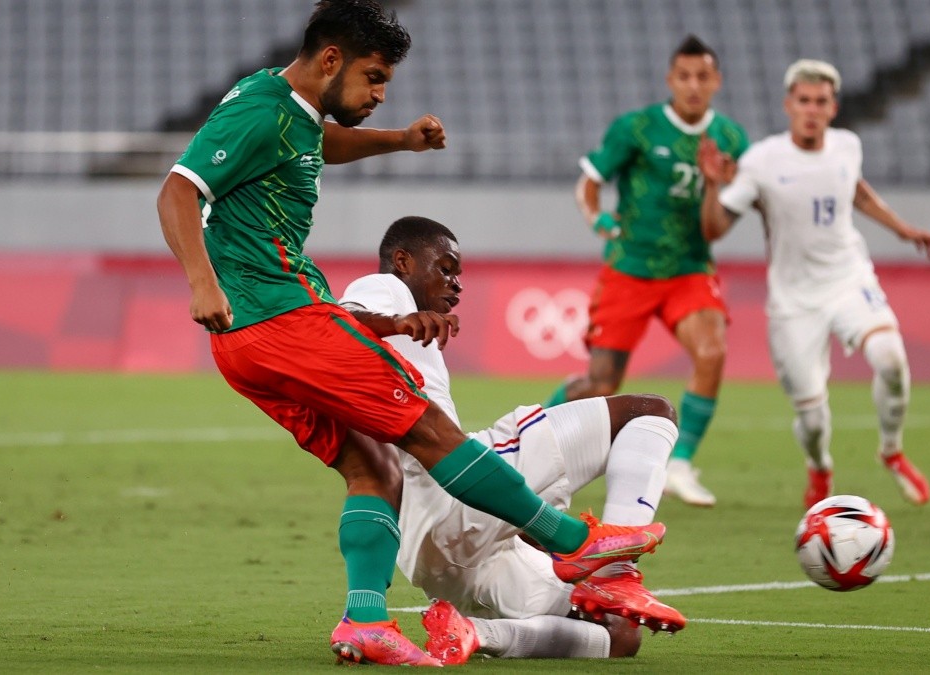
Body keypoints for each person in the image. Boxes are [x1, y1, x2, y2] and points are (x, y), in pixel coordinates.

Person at [155, 1, 666, 666]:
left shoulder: (290, 112)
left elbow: (318, 143)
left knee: (372, 465)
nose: (378, 93)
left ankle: (364, 621)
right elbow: (177, 190)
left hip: (244, 345)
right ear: (331, 59)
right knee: (426, 428)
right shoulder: (261, 109)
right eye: (373, 78)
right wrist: (201, 280)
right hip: (282, 314)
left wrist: (398, 138)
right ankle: (573, 540)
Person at [339, 216, 687, 664]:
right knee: (650, 412)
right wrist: (396, 319)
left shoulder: (410, 330)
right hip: (454, 494)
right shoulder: (384, 289)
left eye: (458, 273)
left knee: (620, 634)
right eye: (445, 268)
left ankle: (475, 634)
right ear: (403, 261)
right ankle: (616, 573)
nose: (456, 283)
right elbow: (341, 320)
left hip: (431, 557)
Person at [697, 59, 930, 509]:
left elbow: (856, 190)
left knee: (890, 358)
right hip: (794, 302)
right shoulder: (762, 161)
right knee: (812, 418)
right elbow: (714, 230)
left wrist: (902, 229)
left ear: (833, 108)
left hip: (848, 278)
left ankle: (891, 451)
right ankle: (820, 467)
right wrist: (713, 187)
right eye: (804, 101)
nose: (812, 109)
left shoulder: (847, 146)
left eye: (821, 102)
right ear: (788, 105)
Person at [543, 35, 750, 508]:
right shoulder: (637, 129)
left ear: (716, 81)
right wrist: (599, 219)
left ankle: (680, 463)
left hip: (690, 269)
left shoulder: (733, 142)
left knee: (712, 351)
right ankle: (528, 435)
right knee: (600, 385)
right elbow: (589, 184)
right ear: (670, 80)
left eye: (703, 76)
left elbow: (716, 229)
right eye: (685, 76)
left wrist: (717, 185)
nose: (694, 86)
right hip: (630, 269)